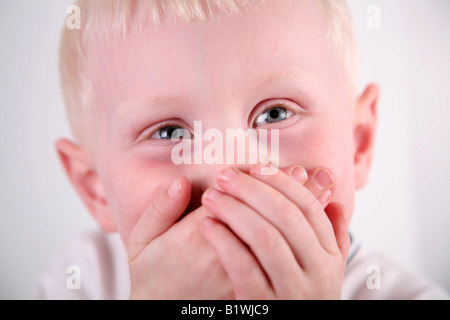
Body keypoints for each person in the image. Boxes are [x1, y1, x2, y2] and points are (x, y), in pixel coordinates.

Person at [34, 0, 449, 299]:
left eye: (275, 114)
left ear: (359, 142)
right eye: (169, 134)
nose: (227, 167)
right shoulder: (80, 279)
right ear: (95, 189)